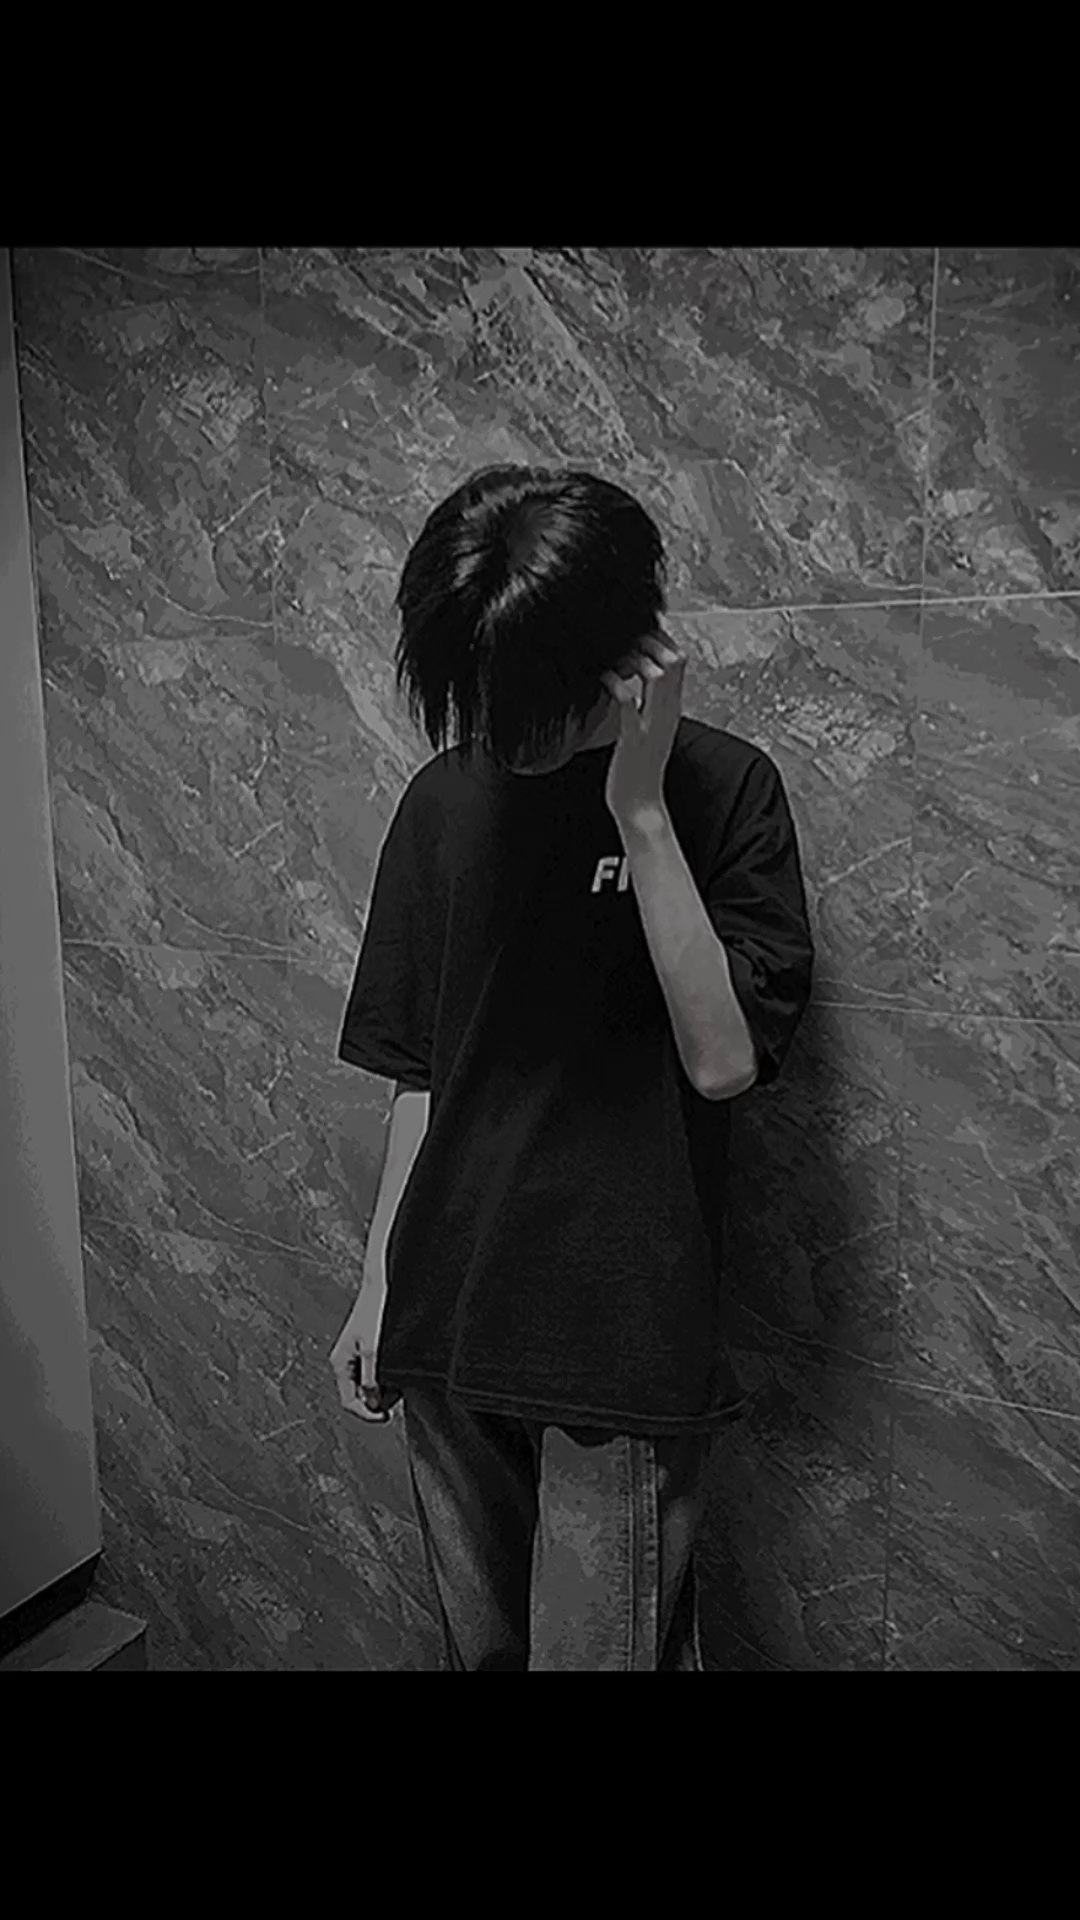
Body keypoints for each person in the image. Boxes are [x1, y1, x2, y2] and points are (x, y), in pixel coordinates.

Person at [329, 464, 815, 1670]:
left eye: (522, 697)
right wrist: (380, 1283)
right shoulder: (444, 801)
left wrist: (639, 811)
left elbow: (723, 1063)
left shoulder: (723, 790)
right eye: (475, 696)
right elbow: (421, 1071)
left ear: (625, 654)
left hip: (615, 1335)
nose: (499, 730)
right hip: (445, 1315)